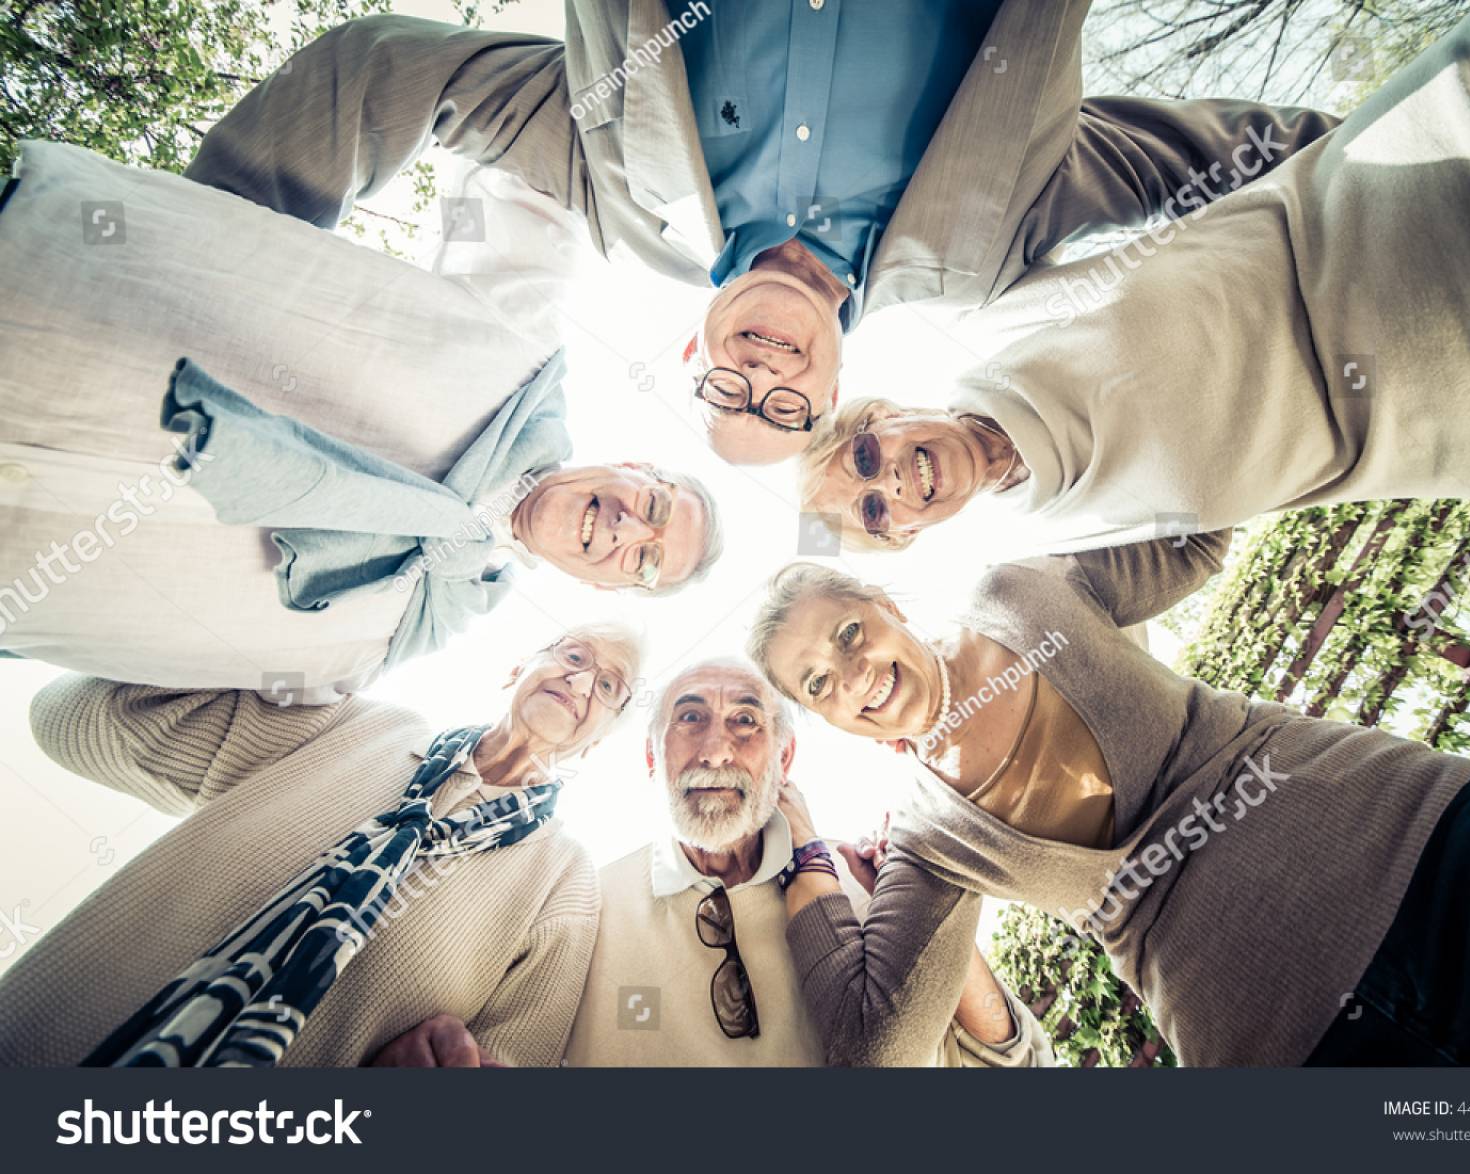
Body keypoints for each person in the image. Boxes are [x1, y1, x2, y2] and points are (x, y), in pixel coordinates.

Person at [182, 1, 1339, 464]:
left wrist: (199, 287)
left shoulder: (623, 206)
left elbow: (388, 74)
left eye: (724, 395)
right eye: (789, 410)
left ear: (694, 353)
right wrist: (1412, 150)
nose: (761, 378)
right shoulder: (985, 258)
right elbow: (1201, 161)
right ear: (839, 380)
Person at [745, 538, 1470, 1066]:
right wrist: (810, 857)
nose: (851, 672)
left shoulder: (1021, 592)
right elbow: (875, 1051)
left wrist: (1023, 450)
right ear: (823, 716)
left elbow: (1194, 532)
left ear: (886, 605)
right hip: (1296, 1051)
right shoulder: (928, 844)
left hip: (1444, 853)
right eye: (818, 681)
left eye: (849, 632)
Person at [800, 0, 1470, 551]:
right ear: (904, 537)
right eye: (875, 514)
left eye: (866, 461)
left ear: (887, 414)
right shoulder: (1067, 546)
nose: (895, 487)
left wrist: (1352, 151)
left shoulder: (992, 311)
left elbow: (1151, 159)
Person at [0, 142, 721, 702]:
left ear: (606, 588)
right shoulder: (517, 348)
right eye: (653, 504)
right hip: (37, 305)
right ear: (634, 463)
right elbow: (541, 149)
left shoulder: (391, 640)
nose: (629, 529)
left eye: (646, 561)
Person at [0, 625, 641, 1067]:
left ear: (601, 740)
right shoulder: (361, 723)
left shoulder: (566, 881)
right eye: (575, 656)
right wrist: (294, 640)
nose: (583, 682)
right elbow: (76, 720)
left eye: (610, 687)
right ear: (516, 670)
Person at [371, 658, 1053, 1067]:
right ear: (652, 758)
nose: (717, 751)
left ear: (785, 761)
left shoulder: (863, 878)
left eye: (747, 722)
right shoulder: (581, 902)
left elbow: (1019, 1065)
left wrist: (927, 918)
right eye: (690, 720)